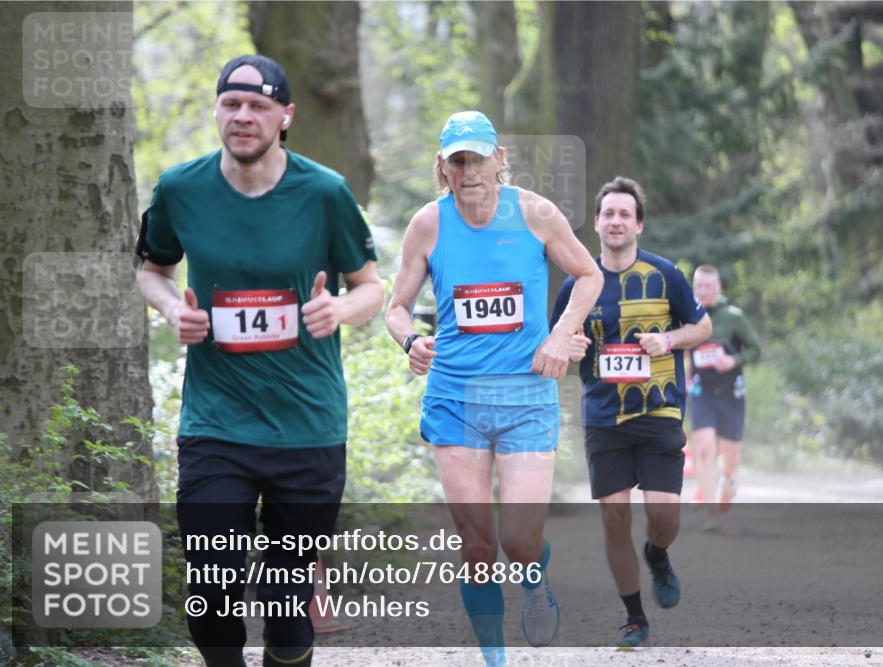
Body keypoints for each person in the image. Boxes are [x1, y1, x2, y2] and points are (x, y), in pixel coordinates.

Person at [135, 55, 383, 667]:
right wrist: (170, 309)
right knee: (210, 591)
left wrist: (338, 310)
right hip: (216, 423)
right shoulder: (181, 189)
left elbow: (371, 288)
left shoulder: (324, 192)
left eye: (258, 106)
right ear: (217, 111)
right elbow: (153, 270)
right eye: (231, 104)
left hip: (307, 426)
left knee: (287, 602)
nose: (243, 116)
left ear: (285, 116)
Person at [385, 111, 602, 666]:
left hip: (526, 396)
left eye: (478, 158)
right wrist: (411, 341)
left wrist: (561, 334)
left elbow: (590, 275)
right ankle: (494, 658)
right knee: (477, 543)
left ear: (499, 159)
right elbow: (396, 308)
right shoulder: (427, 225)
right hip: (455, 398)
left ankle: (534, 577)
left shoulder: (535, 213)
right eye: (457, 161)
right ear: (443, 167)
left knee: (520, 541)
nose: (469, 171)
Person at [552, 176, 712, 648]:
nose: (616, 221)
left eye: (625, 214)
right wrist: (570, 346)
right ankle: (634, 617)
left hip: (659, 410)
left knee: (664, 517)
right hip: (604, 417)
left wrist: (668, 339)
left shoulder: (665, 274)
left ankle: (657, 554)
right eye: (609, 214)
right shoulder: (578, 285)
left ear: (638, 224)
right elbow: (557, 343)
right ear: (596, 223)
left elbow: (702, 326)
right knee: (614, 518)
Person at [687, 265, 761, 527]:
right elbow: (682, 349)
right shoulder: (688, 315)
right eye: (699, 286)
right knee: (704, 449)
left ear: (718, 288)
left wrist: (733, 361)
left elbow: (755, 349)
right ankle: (712, 513)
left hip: (731, 394)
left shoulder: (733, 316)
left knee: (730, 462)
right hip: (701, 393)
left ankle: (728, 483)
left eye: (708, 286)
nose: (703, 291)